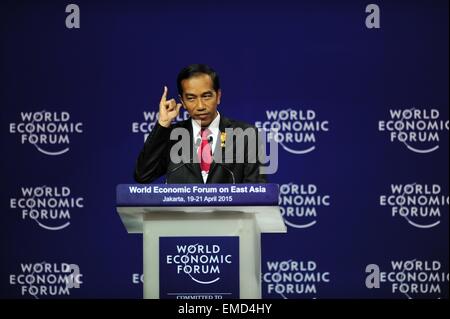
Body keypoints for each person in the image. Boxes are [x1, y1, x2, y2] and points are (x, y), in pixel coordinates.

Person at [134, 64, 266, 184]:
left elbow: (257, 190)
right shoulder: (173, 136)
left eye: (206, 96)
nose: (200, 106)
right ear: (183, 101)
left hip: (228, 211)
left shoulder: (245, 135)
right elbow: (143, 175)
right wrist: (162, 125)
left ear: (218, 96)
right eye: (191, 98)